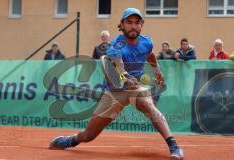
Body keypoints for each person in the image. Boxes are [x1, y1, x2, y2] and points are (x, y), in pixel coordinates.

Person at [49, 8, 184, 160]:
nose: (133, 26)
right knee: (89, 135)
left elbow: (150, 55)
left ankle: (174, 146)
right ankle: (72, 140)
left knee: (148, 105)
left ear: (142, 25)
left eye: (137, 23)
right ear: (122, 24)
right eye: (129, 22)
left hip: (136, 88)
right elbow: (119, 65)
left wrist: (158, 72)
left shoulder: (146, 42)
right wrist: (126, 76)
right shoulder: (115, 44)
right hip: (115, 91)